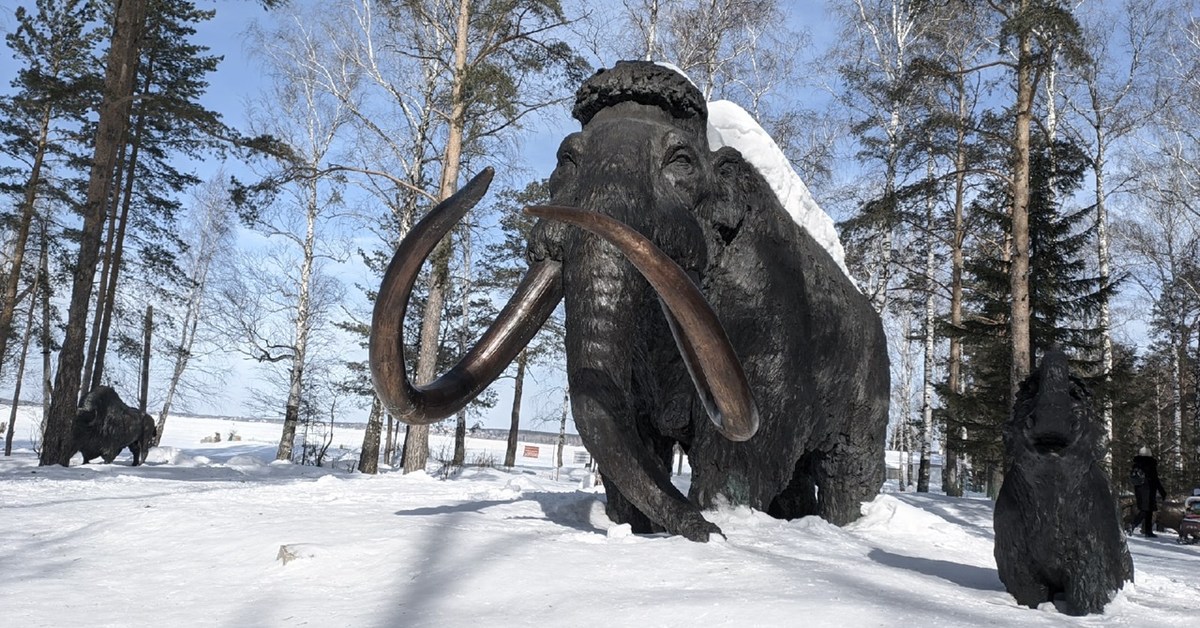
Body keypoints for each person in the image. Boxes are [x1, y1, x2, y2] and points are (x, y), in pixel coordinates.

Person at [1128, 446, 1168, 537]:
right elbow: (1155, 479)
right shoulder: (1150, 464)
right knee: (1147, 510)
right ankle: (1136, 526)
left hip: (1139, 489)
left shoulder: (1136, 464)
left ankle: (1146, 530)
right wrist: (1162, 491)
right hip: (1149, 489)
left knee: (1145, 509)